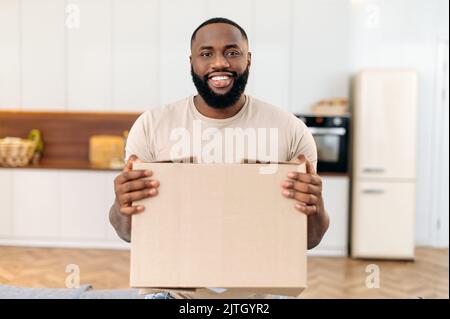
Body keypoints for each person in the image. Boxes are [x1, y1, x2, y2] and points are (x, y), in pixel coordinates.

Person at [109, 17, 329, 299]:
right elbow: (128, 234)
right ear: (192, 62)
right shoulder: (151, 126)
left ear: (248, 60)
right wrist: (121, 203)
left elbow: (310, 240)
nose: (219, 63)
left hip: (259, 295)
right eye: (206, 53)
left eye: (232, 52)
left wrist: (316, 205)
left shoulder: (291, 130)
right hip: (170, 292)